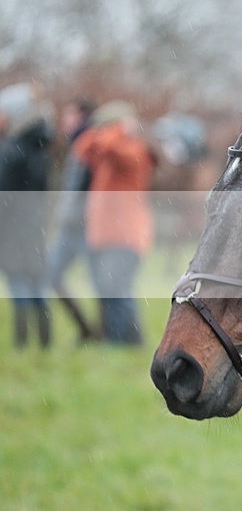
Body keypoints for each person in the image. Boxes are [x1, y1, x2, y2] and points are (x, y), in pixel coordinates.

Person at [73, 100, 156, 345]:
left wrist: (119, 128)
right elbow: (82, 147)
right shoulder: (107, 157)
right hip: (104, 236)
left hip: (127, 235)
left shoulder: (135, 152)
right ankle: (114, 338)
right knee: (105, 288)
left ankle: (125, 342)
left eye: (106, 126)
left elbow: (108, 145)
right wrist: (103, 130)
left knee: (116, 287)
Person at [0, 83, 53, 349]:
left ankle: (22, 342)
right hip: (34, 225)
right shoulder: (40, 144)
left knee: (18, 282)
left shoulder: (13, 149)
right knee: (35, 282)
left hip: (12, 228)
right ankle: (45, 340)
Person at [47, 97, 98, 342]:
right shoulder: (78, 142)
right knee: (52, 274)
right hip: (75, 225)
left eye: (69, 114)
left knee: (100, 282)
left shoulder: (87, 143)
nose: (64, 120)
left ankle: (98, 333)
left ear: (81, 116)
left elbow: (82, 189)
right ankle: (88, 330)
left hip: (83, 227)